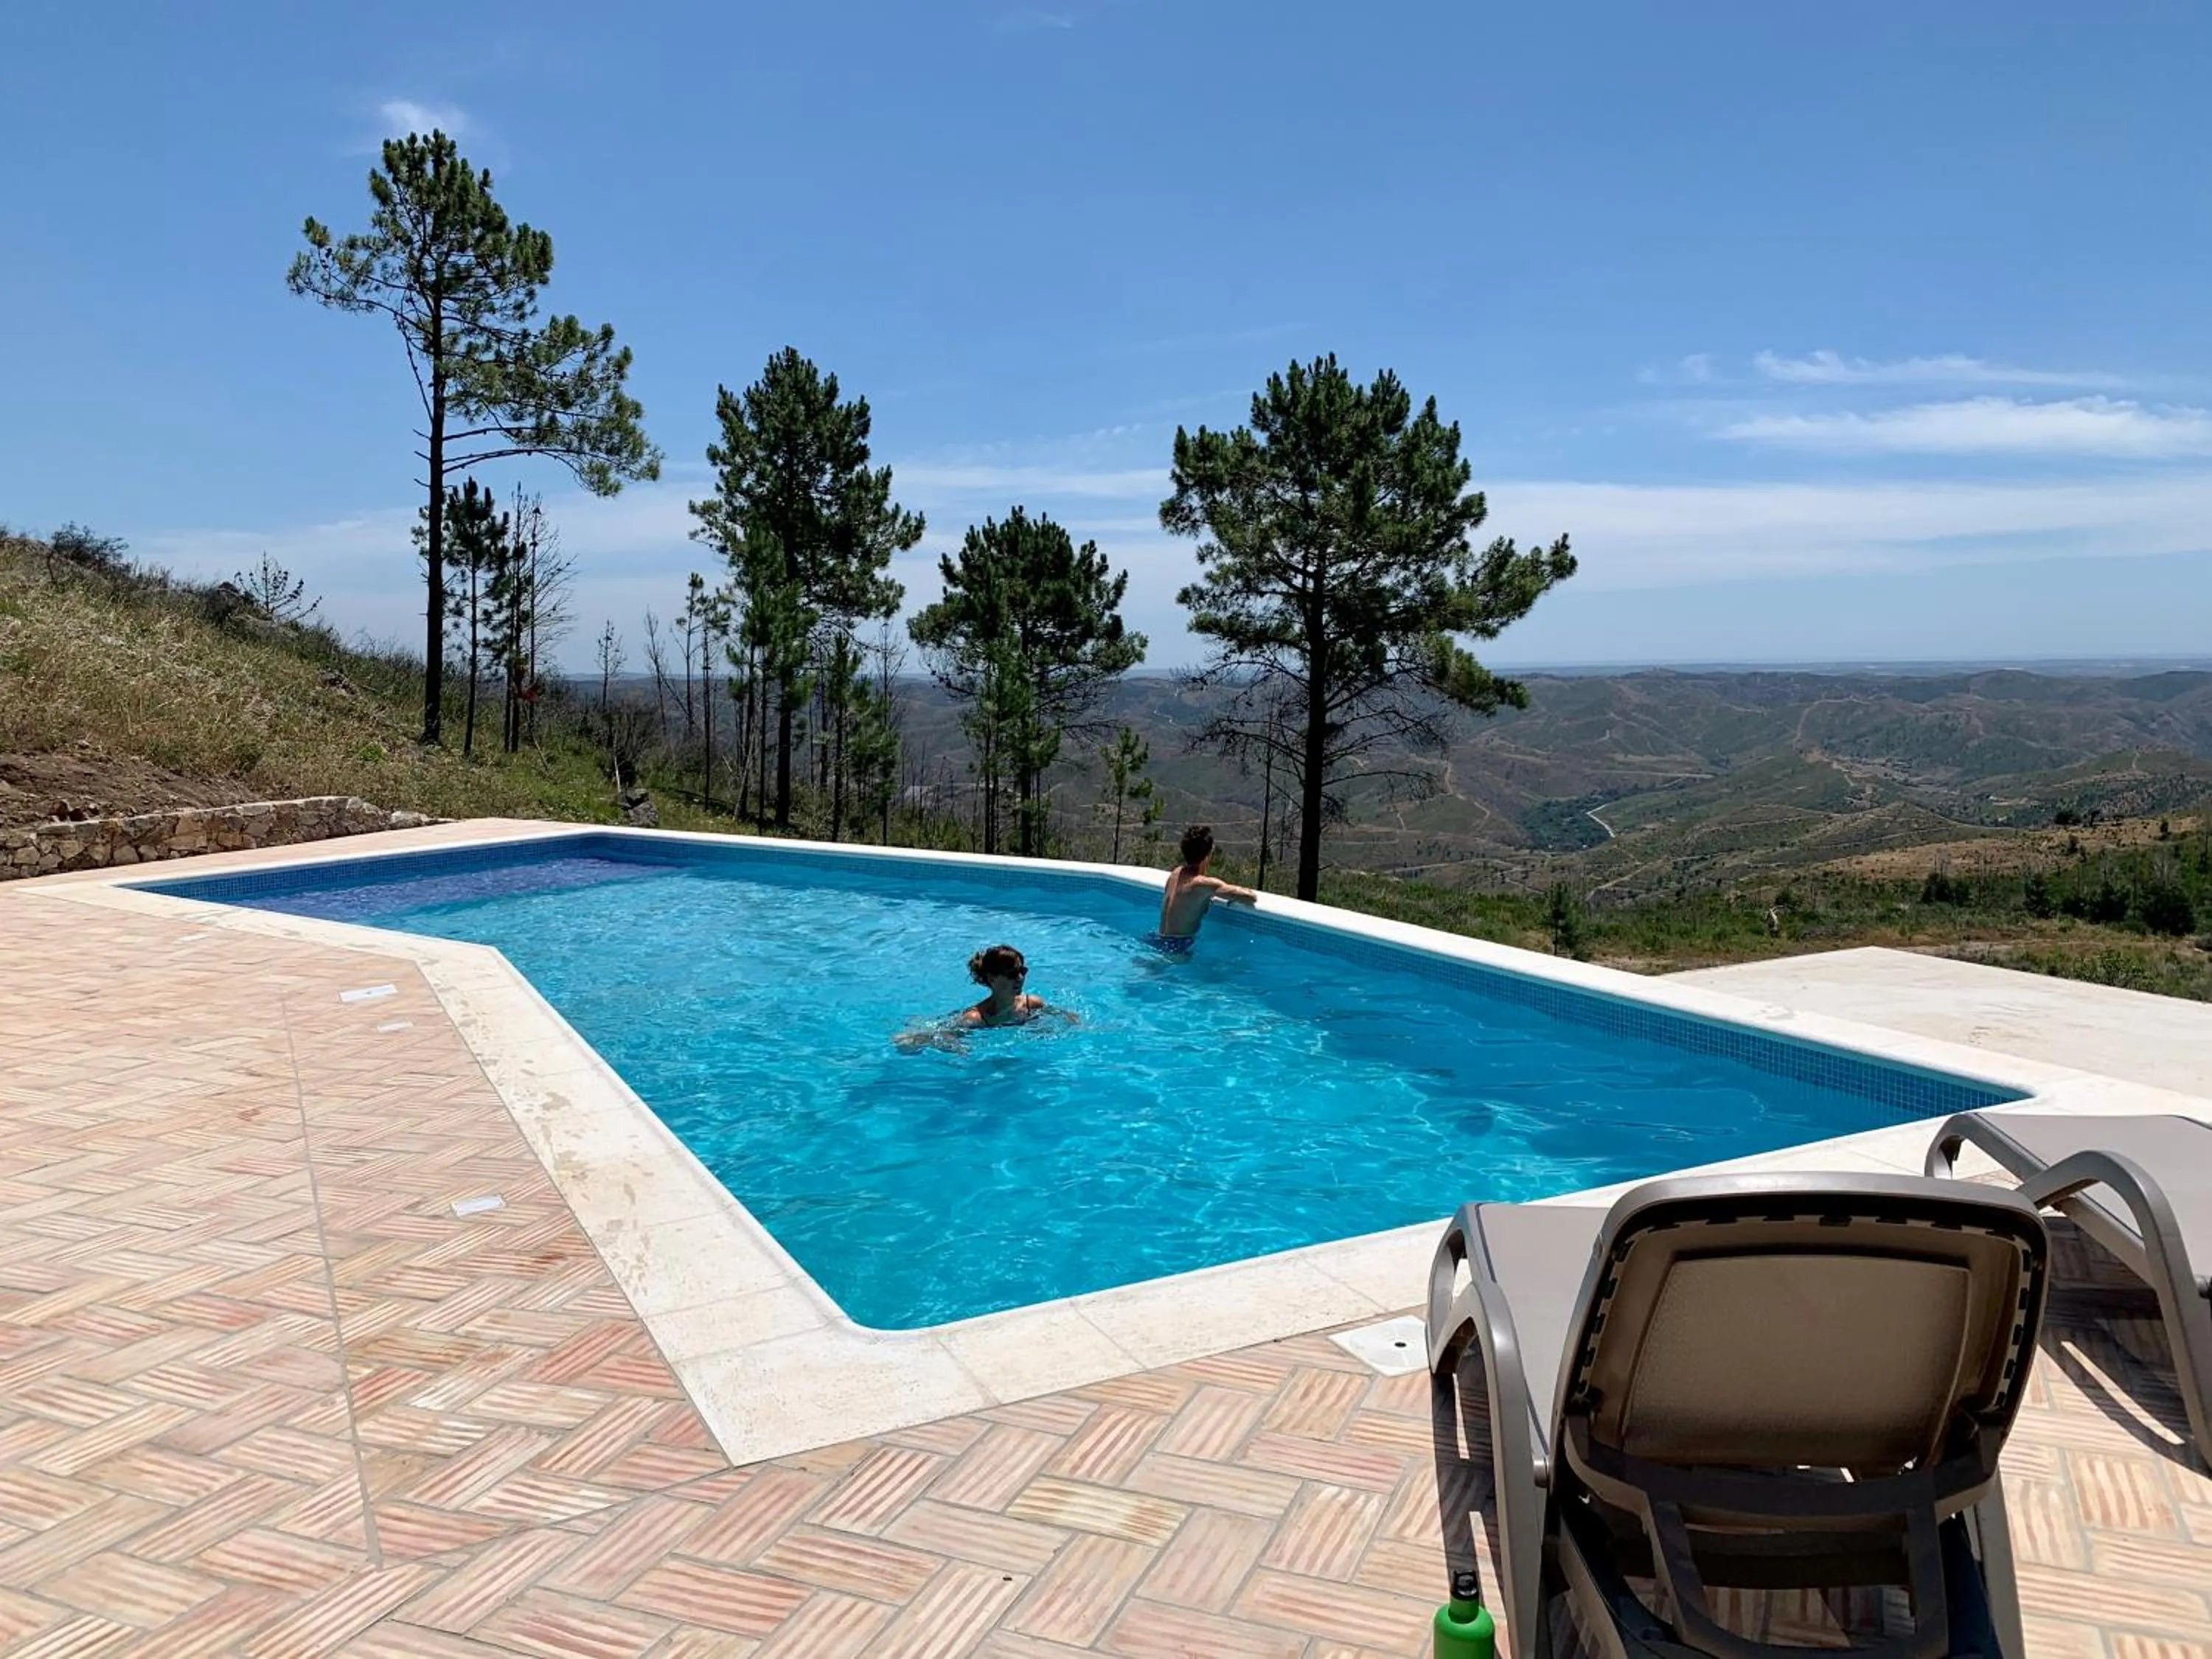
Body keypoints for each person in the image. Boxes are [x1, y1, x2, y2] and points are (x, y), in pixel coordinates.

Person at [895, 944, 1075, 1051]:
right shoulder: (976, 1018)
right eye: (1012, 974)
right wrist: (956, 1048)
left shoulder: (1032, 1004)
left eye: (1023, 971)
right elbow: (944, 1036)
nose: (1020, 978)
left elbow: (1064, 1016)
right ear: (992, 978)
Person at [1149, 824, 1257, 955]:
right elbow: (1250, 897)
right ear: (1208, 855)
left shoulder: (1175, 874)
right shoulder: (1202, 885)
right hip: (1177, 947)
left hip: (1156, 940)